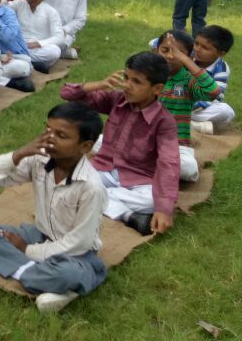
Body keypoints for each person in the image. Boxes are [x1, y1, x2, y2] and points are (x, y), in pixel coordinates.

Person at [0, 102, 108, 314]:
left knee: (68, 273)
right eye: (48, 130)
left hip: (75, 253)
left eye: (61, 135)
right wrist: (18, 154)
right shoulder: (39, 160)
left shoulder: (91, 187)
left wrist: (26, 250)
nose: (50, 139)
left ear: (85, 147)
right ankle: (42, 279)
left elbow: (79, 243)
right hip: (39, 234)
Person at [60, 52, 178, 236]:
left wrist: (164, 209)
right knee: (67, 182)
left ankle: (94, 199)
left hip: (137, 179)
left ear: (157, 89)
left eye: (136, 82)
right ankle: (128, 215)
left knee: (154, 202)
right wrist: (99, 85)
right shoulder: (116, 99)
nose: (127, 86)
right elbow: (67, 94)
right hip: (103, 169)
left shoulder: (165, 122)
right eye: (126, 77)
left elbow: (169, 162)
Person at [154, 30, 220, 183]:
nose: (170, 56)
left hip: (175, 145)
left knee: (189, 169)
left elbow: (213, 92)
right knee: (99, 141)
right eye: (165, 50)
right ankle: (150, 165)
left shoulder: (187, 80)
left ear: (188, 57)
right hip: (142, 141)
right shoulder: (147, 75)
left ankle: (146, 165)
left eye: (177, 53)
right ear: (156, 50)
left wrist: (185, 60)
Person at [3, 0, 64, 74]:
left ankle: (20, 60)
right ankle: (34, 64)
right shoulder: (19, 4)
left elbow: (59, 37)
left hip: (36, 48)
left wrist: (38, 43)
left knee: (55, 51)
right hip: (18, 45)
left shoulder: (50, 11)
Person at [191, 25, 235, 132]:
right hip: (174, 99)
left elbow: (216, 97)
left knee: (227, 111)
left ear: (221, 54)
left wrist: (189, 106)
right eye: (196, 43)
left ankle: (189, 124)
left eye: (205, 48)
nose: (197, 49)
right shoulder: (188, 56)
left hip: (196, 107)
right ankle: (194, 126)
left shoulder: (221, 69)